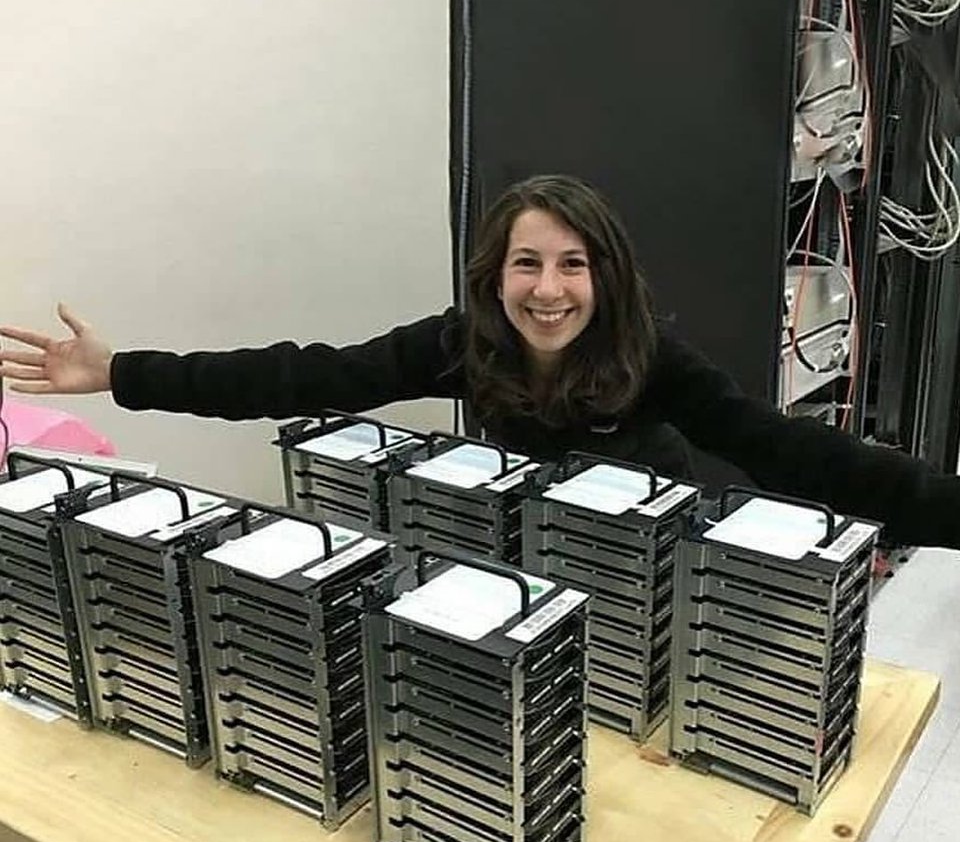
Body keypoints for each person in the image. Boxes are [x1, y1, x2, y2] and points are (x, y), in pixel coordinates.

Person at [1, 174, 959, 549]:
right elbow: (300, 376)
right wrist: (122, 372)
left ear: (606, 278)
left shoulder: (653, 360)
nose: (549, 290)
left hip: (644, 548)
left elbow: (795, 453)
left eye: (573, 265)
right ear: (494, 278)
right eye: (527, 264)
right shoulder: (463, 345)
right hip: (527, 545)